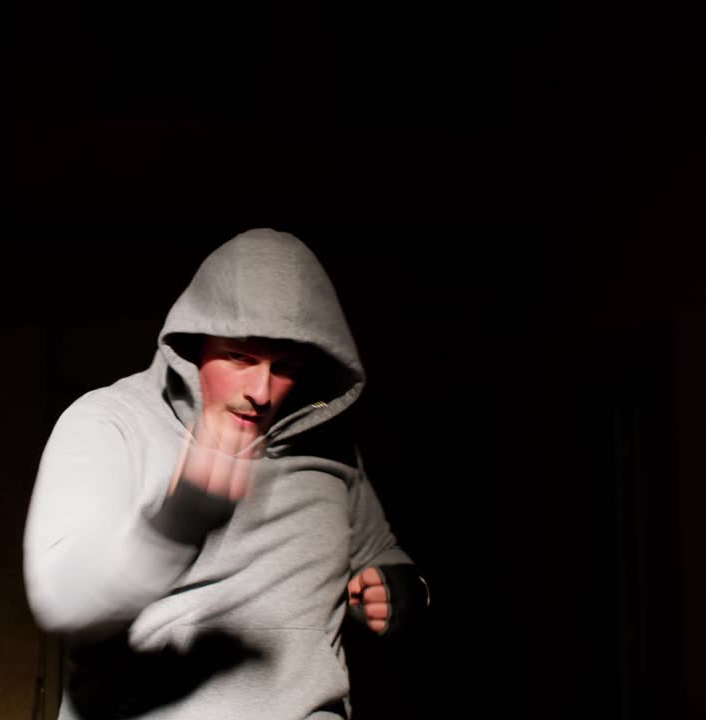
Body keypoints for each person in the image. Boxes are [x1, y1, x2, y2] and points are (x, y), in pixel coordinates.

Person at [23, 228, 429, 719]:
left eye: (284, 367)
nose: (262, 390)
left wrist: (402, 589)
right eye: (241, 356)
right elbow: (61, 595)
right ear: (195, 342)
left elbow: (379, 551)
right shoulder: (112, 422)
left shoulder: (330, 447)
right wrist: (181, 517)